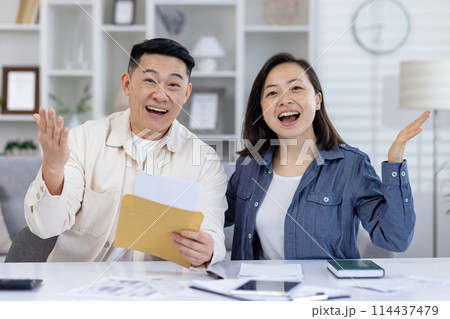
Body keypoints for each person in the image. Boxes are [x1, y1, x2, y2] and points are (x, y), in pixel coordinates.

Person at [24, 38, 227, 267]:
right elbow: (45, 226)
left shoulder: (205, 161)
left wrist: (207, 249)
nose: (161, 96)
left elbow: (212, 233)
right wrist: (52, 168)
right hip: (79, 289)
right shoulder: (83, 140)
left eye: (173, 85)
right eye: (150, 80)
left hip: (162, 290)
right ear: (127, 84)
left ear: (186, 93)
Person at [225, 53, 430, 260]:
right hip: (255, 290)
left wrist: (395, 164)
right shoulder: (249, 165)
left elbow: (395, 239)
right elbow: (215, 214)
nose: (284, 99)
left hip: (328, 291)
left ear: (317, 100)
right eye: (272, 93)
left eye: (296, 88)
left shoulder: (351, 166)